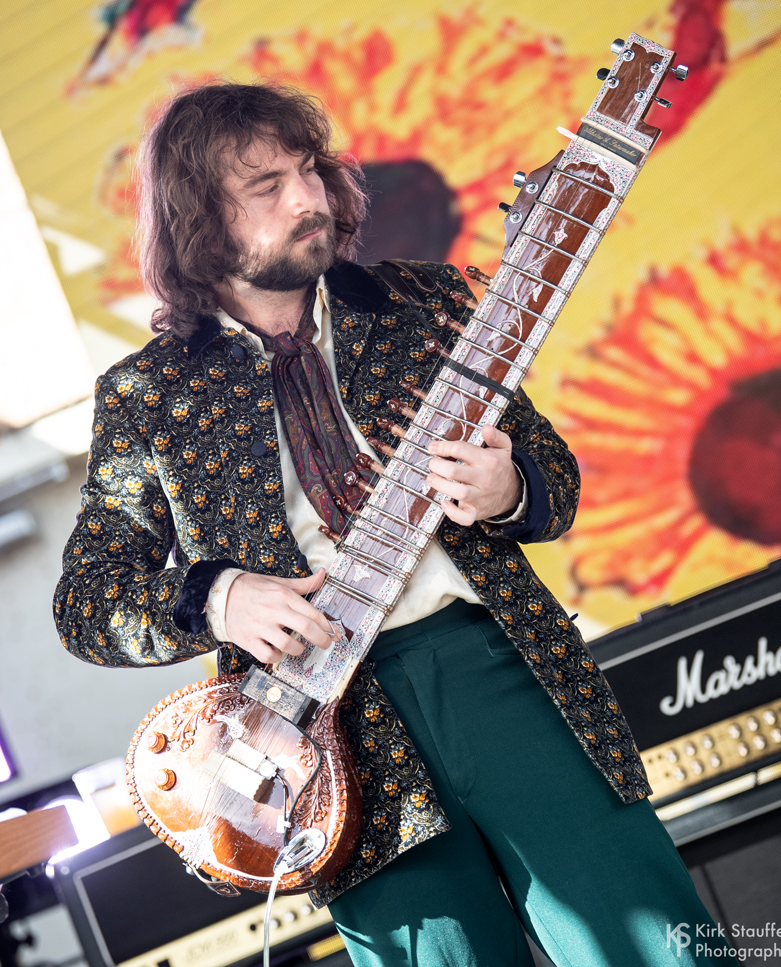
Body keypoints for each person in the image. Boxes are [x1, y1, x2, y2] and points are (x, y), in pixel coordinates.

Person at [54, 82, 731, 966]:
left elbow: (554, 481)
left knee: (659, 950)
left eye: (310, 171)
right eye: (267, 186)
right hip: (320, 742)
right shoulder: (146, 398)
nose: (309, 198)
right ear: (199, 221)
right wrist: (219, 599)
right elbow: (87, 603)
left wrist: (508, 488)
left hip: (495, 667)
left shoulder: (425, 302)